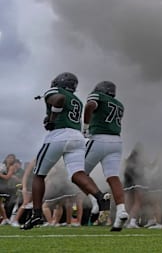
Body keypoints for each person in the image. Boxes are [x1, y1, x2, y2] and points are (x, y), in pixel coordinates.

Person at [22, 73, 111, 230]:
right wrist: (50, 116)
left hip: (59, 135)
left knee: (39, 174)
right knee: (77, 174)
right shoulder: (76, 99)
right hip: (77, 137)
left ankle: (36, 214)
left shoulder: (56, 91)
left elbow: (59, 100)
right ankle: (99, 196)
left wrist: (52, 119)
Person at [83, 80, 128, 231]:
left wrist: (86, 127)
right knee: (113, 177)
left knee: (78, 173)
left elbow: (90, 105)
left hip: (99, 138)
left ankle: (96, 202)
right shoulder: (119, 104)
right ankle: (121, 210)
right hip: (116, 141)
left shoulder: (98, 96)